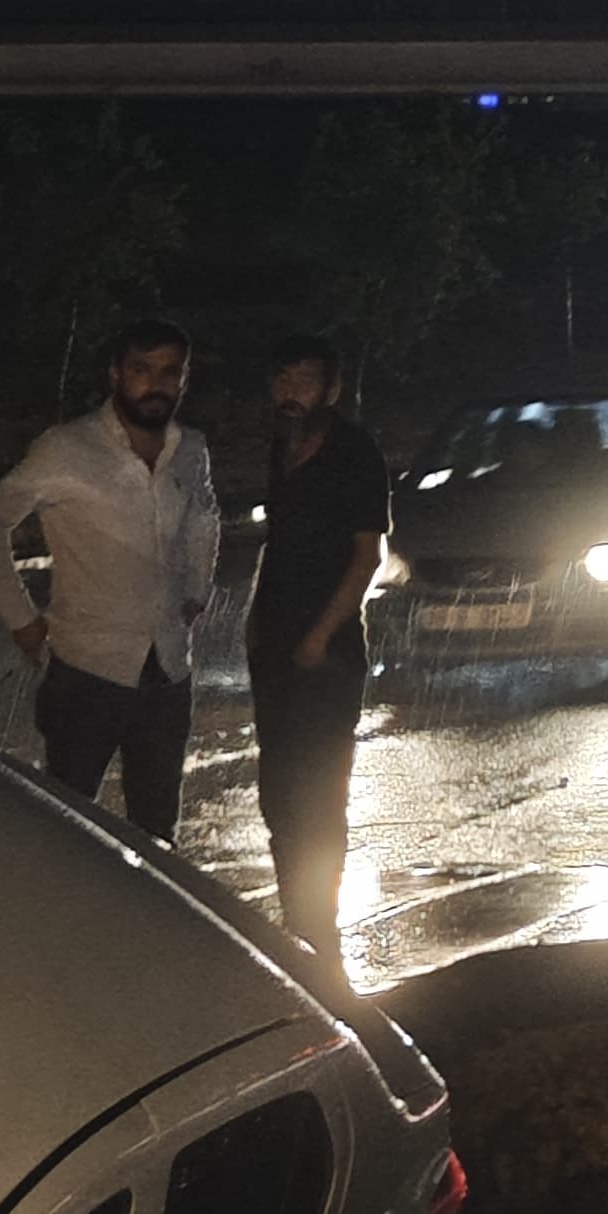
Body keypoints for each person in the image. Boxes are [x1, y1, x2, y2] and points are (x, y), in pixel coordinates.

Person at [0, 318, 220, 840]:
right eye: (141, 370)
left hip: (168, 672)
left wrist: (198, 588)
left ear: (185, 380)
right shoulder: (68, 449)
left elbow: (205, 517)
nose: (155, 384)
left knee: (157, 836)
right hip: (87, 674)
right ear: (115, 374)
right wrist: (19, 618)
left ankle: (147, 922)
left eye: (170, 372)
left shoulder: (190, 448)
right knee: (69, 831)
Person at [243, 333, 391, 968]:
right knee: (278, 784)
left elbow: (367, 556)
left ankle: (320, 926)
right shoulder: (282, 447)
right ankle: (293, 914)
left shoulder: (356, 453)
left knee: (321, 789)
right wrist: (256, 618)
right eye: (283, 379)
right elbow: (277, 543)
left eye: (305, 380)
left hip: (327, 653)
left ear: (332, 388)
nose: (291, 392)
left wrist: (318, 635)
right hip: (273, 640)